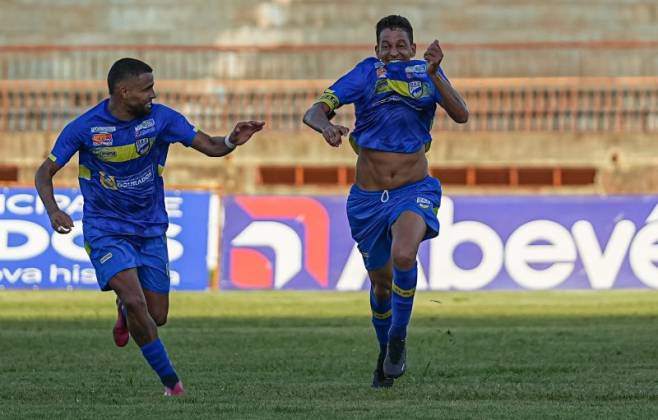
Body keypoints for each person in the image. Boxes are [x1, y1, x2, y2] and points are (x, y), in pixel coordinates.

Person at [34, 58, 264, 396]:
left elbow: (211, 146)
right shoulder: (85, 127)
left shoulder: (162, 119)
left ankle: (124, 310)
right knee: (135, 299)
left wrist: (231, 140)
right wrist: (53, 210)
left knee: (156, 315)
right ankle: (172, 384)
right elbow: (44, 172)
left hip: (150, 226)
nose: (153, 95)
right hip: (105, 228)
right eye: (146, 89)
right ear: (124, 92)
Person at [303, 15, 468, 388]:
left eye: (400, 46)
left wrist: (437, 72)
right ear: (376, 49)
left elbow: (461, 114)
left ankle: (398, 337)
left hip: (414, 190)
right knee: (380, 285)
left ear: (412, 47)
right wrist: (326, 126)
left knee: (405, 255)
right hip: (367, 201)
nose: (393, 52)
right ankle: (385, 355)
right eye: (386, 46)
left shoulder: (427, 74)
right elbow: (313, 110)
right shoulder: (365, 74)